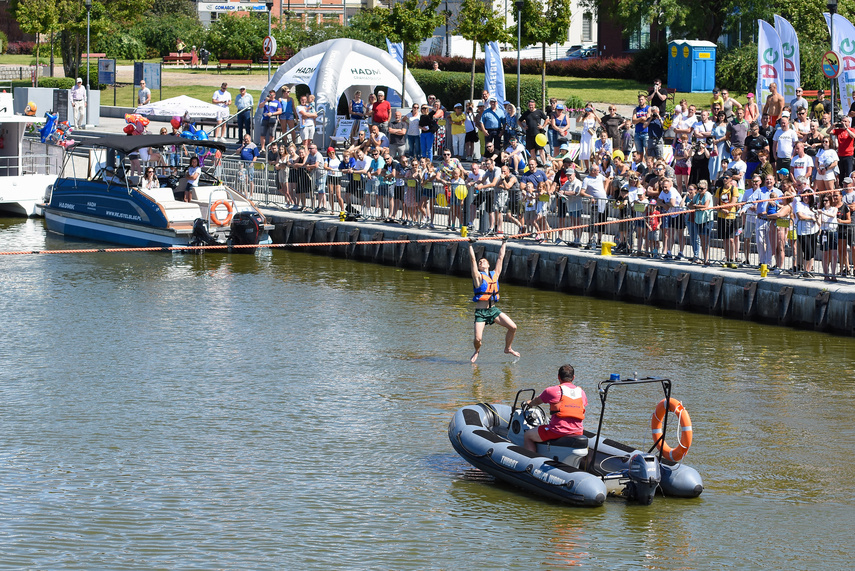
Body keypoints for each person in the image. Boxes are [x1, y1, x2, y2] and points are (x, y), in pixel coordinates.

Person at [467, 238, 519, 363]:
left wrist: (504, 242)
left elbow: (501, 257)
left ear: (488, 265)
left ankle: (508, 348)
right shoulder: (478, 277)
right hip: (481, 312)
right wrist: (469, 244)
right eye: (480, 262)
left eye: (483, 261)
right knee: (478, 339)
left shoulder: (495, 274)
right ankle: (477, 350)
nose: (481, 262)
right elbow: (472, 260)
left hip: (493, 311)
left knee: (513, 327)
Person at [521, 365, 587, 452]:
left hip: (558, 431)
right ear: (573, 377)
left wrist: (529, 403)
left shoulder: (552, 390)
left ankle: (531, 461)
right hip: (578, 431)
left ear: (558, 377)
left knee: (528, 435)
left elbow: (537, 401)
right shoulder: (581, 393)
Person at [519, 99, 548, 164]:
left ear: (534, 105)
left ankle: (544, 163)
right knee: (532, 150)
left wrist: (543, 126)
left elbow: (546, 119)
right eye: (529, 105)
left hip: (538, 134)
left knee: (541, 150)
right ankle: (534, 164)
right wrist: (523, 127)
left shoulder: (539, 112)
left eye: (532, 105)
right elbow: (519, 121)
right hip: (529, 134)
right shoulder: (526, 113)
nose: (530, 106)